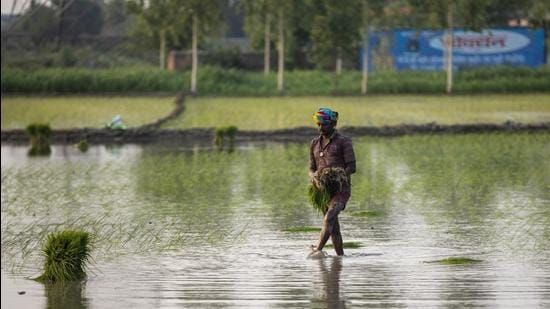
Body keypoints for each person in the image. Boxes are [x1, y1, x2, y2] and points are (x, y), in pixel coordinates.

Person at [309, 107, 356, 256]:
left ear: (333, 124)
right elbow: (311, 168)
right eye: (318, 124)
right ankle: (340, 258)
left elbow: (352, 167)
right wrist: (314, 177)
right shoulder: (314, 144)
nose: (320, 127)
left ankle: (317, 251)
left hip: (341, 190)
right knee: (333, 228)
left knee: (329, 217)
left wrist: (338, 175)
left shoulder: (343, 142)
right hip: (322, 191)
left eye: (323, 124)